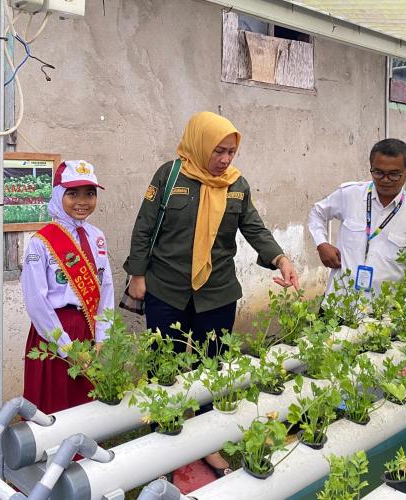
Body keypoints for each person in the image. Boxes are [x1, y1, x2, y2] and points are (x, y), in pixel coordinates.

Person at [124, 111, 299, 476]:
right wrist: (137, 274)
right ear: (200, 143)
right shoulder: (170, 176)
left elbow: (254, 227)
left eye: (231, 152)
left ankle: (208, 442)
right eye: (218, 151)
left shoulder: (237, 184)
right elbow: (144, 226)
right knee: (164, 364)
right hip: (166, 288)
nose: (224, 160)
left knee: (213, 368)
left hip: (216, 292)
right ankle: (165, 434)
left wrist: (279, 257)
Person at [21, 160, 115, 414]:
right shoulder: (41, 242)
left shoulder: (96, 236)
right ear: (58, 194)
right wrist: (64, 344)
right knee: (56, 398)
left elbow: (105, 286)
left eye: (90, 193)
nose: (82, 201)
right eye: (72, 193)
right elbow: (36, 300)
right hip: (54, 329)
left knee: (84, 396)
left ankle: (85, 448)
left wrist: (103, 332)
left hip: (86, 325)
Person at [308, 138, 406, 301]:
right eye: (378, 172)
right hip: (338, 304)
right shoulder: (350, 194)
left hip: (383, 313)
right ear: (371, 167)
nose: (385, 180)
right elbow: (317, 213)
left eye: (394, 174)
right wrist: (322, 244)